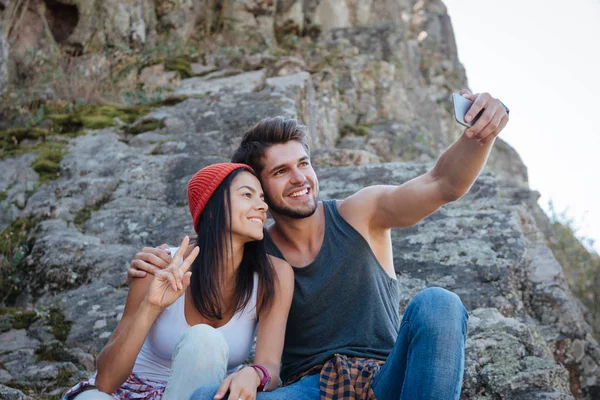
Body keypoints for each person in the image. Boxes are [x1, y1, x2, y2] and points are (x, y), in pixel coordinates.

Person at [129, 90, 509, 399]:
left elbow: (443, 183)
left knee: (439, 303)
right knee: (206, 399)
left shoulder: (361, 213)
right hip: (308, 389)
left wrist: (479, 137)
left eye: (304, 163)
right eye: (281, 171)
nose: (300, 178)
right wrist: (155, 261)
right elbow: (207, 253)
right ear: (260, 190)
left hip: (385, 379)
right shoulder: (256, 253)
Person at [64, 163, 294, 400]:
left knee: (205, 340)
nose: (263, 206)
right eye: (247, 194)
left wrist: (255, 374)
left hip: (198, 395)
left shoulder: (274, 275)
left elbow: (270, 366)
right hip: (128, 392)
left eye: (262, 198)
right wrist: (151, 306)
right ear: (212, 208)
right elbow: (106, 381)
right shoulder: (162, 265)